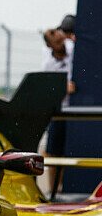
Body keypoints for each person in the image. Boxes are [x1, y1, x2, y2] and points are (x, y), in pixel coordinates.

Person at [41, 26, 75, 197]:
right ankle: (54, 190)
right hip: (60, 112)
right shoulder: (48, 65)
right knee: (53, 151)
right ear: (50, 46)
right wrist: (64, 89)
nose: (60, 41)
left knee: (72, 150)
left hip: (78, 109)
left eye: (61, 38)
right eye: (56, 40)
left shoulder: (74, 48)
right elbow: (48, 91)